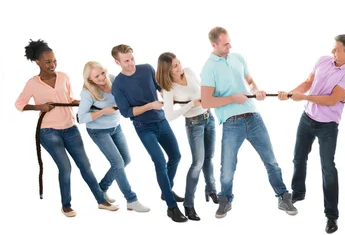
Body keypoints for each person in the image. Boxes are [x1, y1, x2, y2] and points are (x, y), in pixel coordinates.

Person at [200, 26, 297, 219]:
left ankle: (283, 196)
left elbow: (250, 82)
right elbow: (207, 101)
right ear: (214, 44)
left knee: (271, 162)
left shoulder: (238, 58)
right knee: (227, 168)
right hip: (231, 123)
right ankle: (225, 200)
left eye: (230, 41)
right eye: (225, 43)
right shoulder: (209, 67)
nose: (230, 46)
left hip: (253, 117)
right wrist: (232, 98)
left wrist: (257, 90)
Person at [15, 39, 119, 217]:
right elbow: (19, 104)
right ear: (37, 62)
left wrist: (88, 103)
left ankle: (101, 200)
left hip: (70, 128)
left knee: (85, 166)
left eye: (54, 61)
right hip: (48, 132)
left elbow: (69, 99)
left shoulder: (63, 77)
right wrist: (39, 107)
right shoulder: (32, 83)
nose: (52, 65)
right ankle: (66, 205)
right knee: (65, 168)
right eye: (47, 62)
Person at [278, 34, 345, 234]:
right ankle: (298, 193)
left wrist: (303, 97)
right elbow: (307, 82)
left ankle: (331, 216)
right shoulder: (323, 60)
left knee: (328, 169)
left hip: (328, 125)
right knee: (298, 158)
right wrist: (290, 93)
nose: (333, 52)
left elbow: (333, 100)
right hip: (307, 118)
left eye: (337, 49)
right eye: (333, 47)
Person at [110, 44, 186, 222]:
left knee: (176, 156)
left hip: (162, 120)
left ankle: (166, 190)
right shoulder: (118, 84)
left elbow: (161, 87)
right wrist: (150, 105)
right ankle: (171, 207)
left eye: (132, 58)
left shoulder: (146, 69)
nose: (131, 63)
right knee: (159, 161)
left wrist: (170, 97)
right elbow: (126, 112)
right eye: (126, 61)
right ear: (117, 62)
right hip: (144, 127)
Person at [78, 61, 150, 213]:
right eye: (97, 76)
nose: (102, 78)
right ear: (90, 79)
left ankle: (101, 189)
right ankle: (131, 200)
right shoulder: (87, 92)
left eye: (102, 73)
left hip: (115, 127)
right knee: (118, 163)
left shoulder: (113, 79)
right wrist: (103, 111)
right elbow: (81, 118)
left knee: (125, 160)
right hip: (98, 131)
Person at [156, 52, 217, 222]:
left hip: (208, 118)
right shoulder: (169, 89)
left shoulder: (189, 72)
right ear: (167, 70)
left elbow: (202, 90)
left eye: (179, 63)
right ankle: (189, 204)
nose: (179, 67)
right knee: (197, 162)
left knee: (209, 158)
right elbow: (168, 116)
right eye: (175, 66)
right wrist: (191, 104)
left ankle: (211, 189)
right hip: (194, 124)